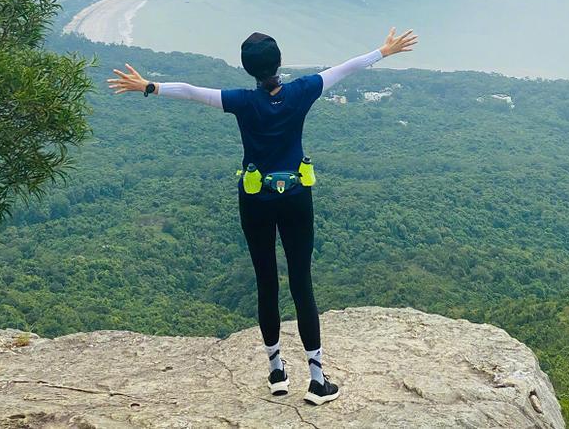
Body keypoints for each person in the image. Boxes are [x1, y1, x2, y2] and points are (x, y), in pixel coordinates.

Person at [107, 27, 418, 405]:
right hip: (296, 199)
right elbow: (345, 68)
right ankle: (317, 381)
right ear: (280, 63)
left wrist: (149, 86)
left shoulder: (241, 101)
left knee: (266, 280)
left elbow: (190, 91)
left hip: (255, 199)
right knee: (301, 283)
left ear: (247, 69)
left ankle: (276, 372)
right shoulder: (302, 91)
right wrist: (383, 51)